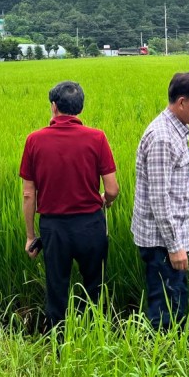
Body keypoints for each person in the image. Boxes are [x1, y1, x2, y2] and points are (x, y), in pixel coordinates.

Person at [19, 80, 119, 330]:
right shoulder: (97, 138)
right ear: (80, 108)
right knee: (95, 286)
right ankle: (94, 336)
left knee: (57, 287)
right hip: (90, 224)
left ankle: (58, 343)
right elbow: (112, 189)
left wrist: (31, 236)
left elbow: (29, 194)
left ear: (54, 106)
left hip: (54, 228)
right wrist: (106, 202)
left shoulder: (34, 140)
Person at [131, 71, 189, 330]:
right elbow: (160, 199)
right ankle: (163, 361)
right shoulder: (162, 137)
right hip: (162, 242)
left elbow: (178, 178)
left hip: (168, 237)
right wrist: (174, 247)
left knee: (175, 301)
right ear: (182, 102)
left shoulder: (178, 130)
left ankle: (172, 356)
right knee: (167, 309)